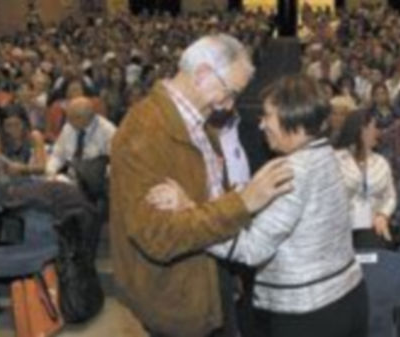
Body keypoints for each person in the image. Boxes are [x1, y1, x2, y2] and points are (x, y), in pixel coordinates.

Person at [109, 34, 294, 337]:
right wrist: (243, 202)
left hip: (209, 281)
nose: (231, 105)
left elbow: (207, 201)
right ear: (203, 74)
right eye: (230, 92)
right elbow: (158, 236)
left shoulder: (198, 124)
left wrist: (200, 203)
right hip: (176, 300)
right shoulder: (144, 131)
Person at [157, 74, 366, 337]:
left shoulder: (291, 172)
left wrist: (190, 212)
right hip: (347, 296)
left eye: (268, 116)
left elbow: (253, 249)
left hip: (309, 312)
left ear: (297, 125)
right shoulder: (327, 154)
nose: (261, 125)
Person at [334, 109, 397, 249]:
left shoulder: (381, 162)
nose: (377, 132)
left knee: (374, 241)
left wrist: (383, 215)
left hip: (373, 225)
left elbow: (391, 197)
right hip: (342, 226)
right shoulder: (336, 160)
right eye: (374, 127)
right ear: (362, 130)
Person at [45, 97, 115, 178]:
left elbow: (114, 164)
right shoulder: (68, 127)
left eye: (71, 118)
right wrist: (50, 172)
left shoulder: (108, 131)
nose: (68, 121)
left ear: (82, 118)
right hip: (71, 177)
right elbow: (57, 156)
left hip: (96, 181)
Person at [0, 104, 48, 177]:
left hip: (30, 178)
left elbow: (42, 167)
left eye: (17, 124)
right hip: (7, 178)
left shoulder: (34, 136)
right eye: (8, 125)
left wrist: (22, 168)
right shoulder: (0, 138)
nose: (13, 129)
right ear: (2, 127)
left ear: (24, 123)